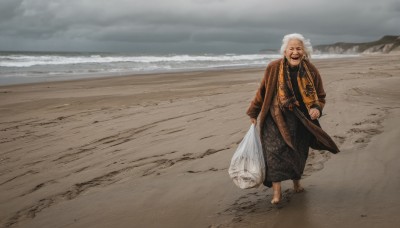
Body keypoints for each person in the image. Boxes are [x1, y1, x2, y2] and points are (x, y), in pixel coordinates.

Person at [246, 33, 339, 204]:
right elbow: (262, 92)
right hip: (276, 118)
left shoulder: (311, 70)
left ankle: (297, 183)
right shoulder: (273, 68)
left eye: (299, 48)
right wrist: (253, 112)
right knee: (275, 153)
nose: (295, 52)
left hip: (301, 120)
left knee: (297, 154)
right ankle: (277, 193)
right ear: (285, 51)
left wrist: (316, 108)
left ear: (304, 52)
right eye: (291, 48)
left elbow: (320, 95)